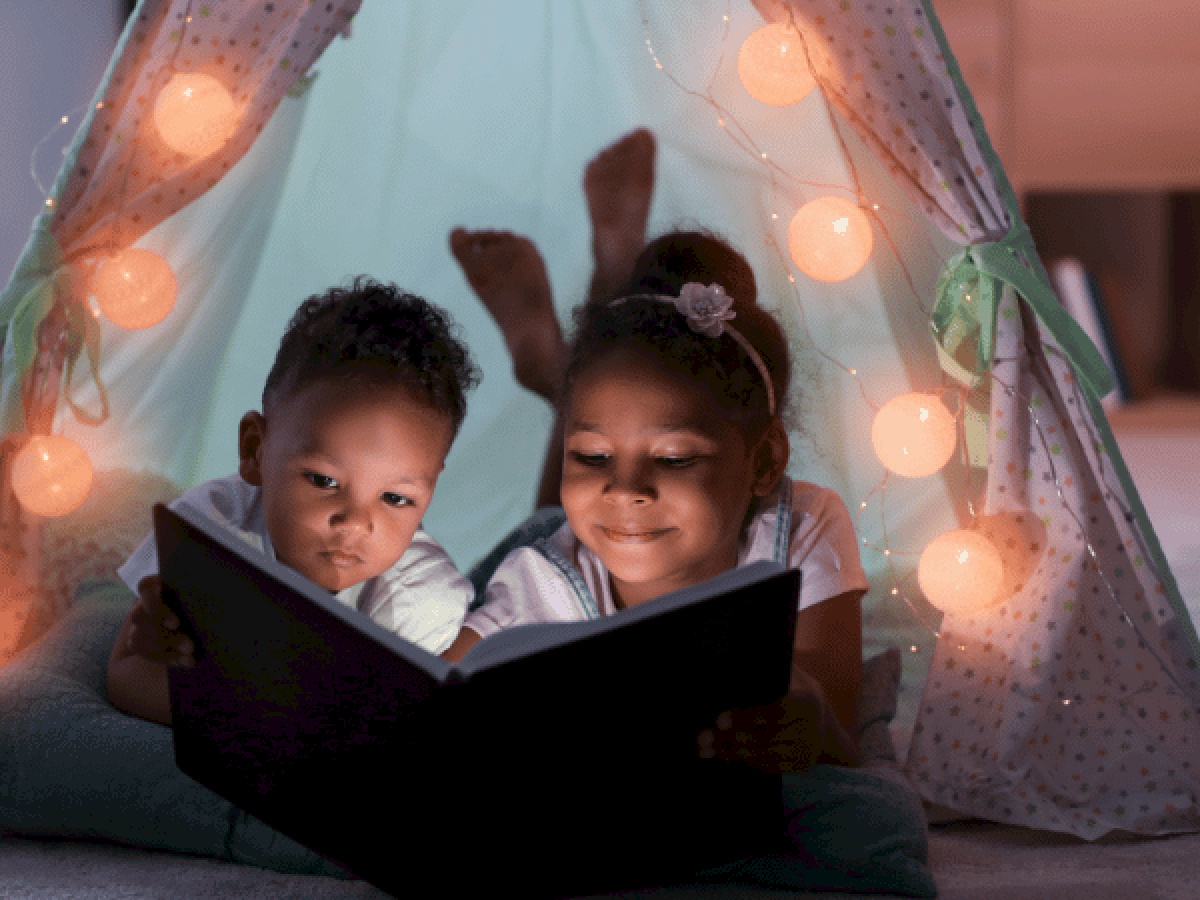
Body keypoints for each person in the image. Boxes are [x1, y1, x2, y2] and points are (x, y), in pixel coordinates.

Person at [106, 277, 481, 726]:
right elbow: (127, 671)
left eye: (396, 498)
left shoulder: (418, 600)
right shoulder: (210, 530)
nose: (355, 522)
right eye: (324, 480)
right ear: (255, 451)